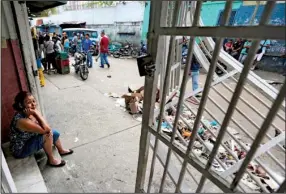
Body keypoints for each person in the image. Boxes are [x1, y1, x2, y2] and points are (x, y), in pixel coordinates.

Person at [10, 91, 73, 167]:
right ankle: (51, 160)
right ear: (21, 105)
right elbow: (46, 130)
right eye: (29, 102)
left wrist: (36, 114)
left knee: (54, 133)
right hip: (21, 150)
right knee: (47, 135)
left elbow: (46, 125)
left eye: (34, 101)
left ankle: (61, 150)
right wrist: (36, 114)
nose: (33, 104)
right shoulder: (21, 121)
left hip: (30, 138)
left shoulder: (31, 111)